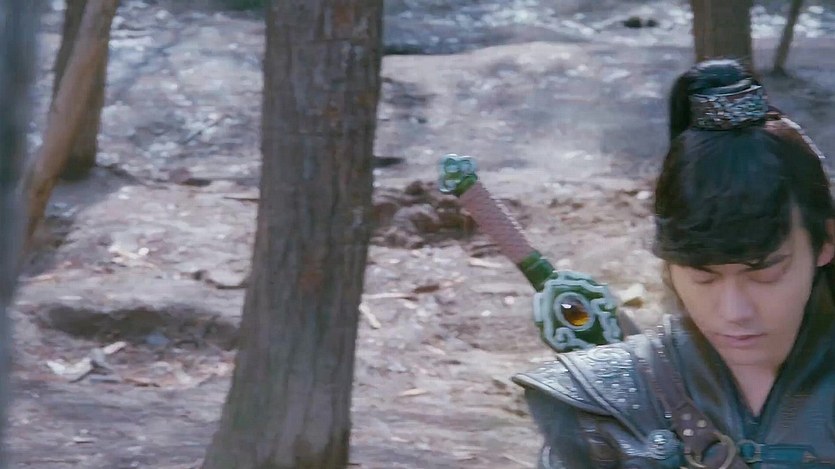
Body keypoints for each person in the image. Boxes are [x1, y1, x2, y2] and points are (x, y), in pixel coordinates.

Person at [513, 58, 835, 468]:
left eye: (765, 273)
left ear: (826, 241)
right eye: (703, 277)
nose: (734, 311)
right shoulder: (604, 407)